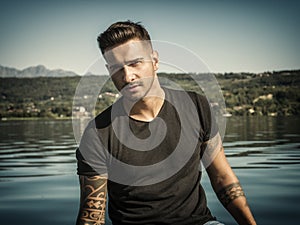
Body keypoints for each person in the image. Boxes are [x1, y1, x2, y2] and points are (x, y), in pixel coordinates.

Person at [76, 20, 257, 225]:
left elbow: (223, 179)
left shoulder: (196, 106)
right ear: (109, 71)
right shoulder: (98, 133)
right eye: (117, 68)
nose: (128, 76)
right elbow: (92, 216)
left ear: (154, 60)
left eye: (135, 63)